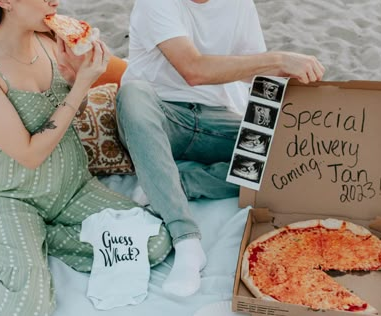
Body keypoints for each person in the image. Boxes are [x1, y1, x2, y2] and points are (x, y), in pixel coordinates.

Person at [0, 0, 172, 315]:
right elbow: (29, 154)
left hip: (72, 189)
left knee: (153, 239)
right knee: (29, 308)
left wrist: (74, 81)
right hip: (12, 198)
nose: (55, 1)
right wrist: (81, 84)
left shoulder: (52, 39)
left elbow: (73, 114)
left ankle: (38, 238)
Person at [116, 0, 325, 297]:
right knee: (132, 94)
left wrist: (292, 82)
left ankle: (183, 184)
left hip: (216, 118)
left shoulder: (239, 5)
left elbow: (259, 76)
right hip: (158, 117)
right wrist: (277, 59)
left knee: (294, 154)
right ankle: (186, 239)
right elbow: (193, 69)